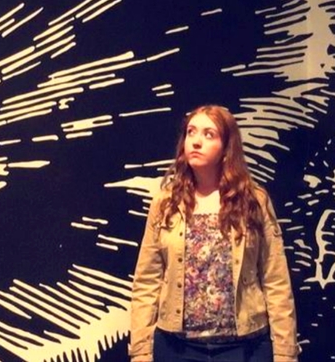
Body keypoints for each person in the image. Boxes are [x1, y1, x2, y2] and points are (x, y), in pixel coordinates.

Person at [129, 104, 300, 362]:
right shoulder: (166, 203)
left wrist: (285, 352)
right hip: (177, 347)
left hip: (244, 348)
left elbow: (275, 279)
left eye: (209, 134)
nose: (196, 141)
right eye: (191, 132)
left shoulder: (253, 200)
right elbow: (147, 281)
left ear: (226, 148)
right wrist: (141, 351)